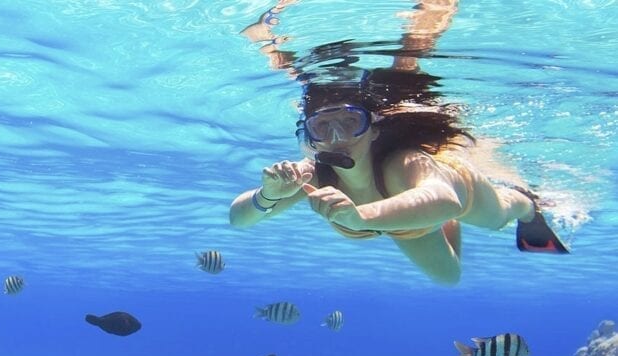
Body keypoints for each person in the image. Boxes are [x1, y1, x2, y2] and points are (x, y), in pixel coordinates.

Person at [230, 7, 569, 285]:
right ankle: (431, 220)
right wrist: (268, 196)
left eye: (351, 123)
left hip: (450, 192)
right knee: (449, 278)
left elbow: (446, 200)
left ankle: (528, 204)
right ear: (310, 137)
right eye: (322, 128)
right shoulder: (312, 176)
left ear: (373, 129)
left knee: (498, 217)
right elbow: (238, 221)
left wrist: (360, 216)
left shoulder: (403, 163)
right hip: (402, 220)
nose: (337, 138)